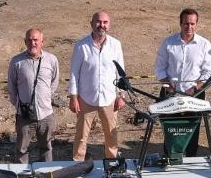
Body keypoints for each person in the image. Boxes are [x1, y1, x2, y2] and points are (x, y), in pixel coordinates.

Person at [154, 8, 211, 156]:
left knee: (191, 131)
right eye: (186, 24)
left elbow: (208, 72)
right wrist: (168, 86)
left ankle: (190, 160)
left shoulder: (204, 44)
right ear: (180, 24)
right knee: (171, 129)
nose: (189, 27)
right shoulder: (169, 43)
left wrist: (195, 88)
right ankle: (170, 159)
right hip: (170, 93)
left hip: (195, 95)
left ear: (197, 24)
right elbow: (159, 67)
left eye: (193, 24)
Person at [68, 12, 125, 161]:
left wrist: (121, 96)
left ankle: (112, 163)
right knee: (81, 136)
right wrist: (73, 97)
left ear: (109, 25)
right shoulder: (81, 46)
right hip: (86, 98)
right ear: (92, 23)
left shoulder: (115, 45)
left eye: (105, 22)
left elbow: (121, 73)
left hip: (109, 98)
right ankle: (78, 164)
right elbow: (74, 73)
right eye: (98, 22)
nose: (102, 25)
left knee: (111, 135)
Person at [7, 28, 60, 163]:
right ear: (25, 42)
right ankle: (22, 176)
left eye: (36, 40)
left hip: (45, 114)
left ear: (42, 41)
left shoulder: (52, 60)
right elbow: (12, 85)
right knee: (22, 149)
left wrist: (45, 98)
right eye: (29, 40)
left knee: (46, 148)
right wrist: (18, 104)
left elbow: (54, 82)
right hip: (24, 115)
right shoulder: (16, 61)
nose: (33, 43)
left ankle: (47, 174)